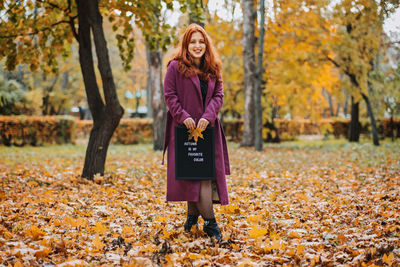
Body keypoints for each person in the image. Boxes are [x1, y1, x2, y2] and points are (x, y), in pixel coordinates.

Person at [162, 23, 230, 241]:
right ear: (186, 44)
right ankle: (210, 223)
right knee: (193, 175)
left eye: (201, 41)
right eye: (193, 42)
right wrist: (183, 116)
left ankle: (193, 219)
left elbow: (218, 96)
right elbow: (170, 95)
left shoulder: (213, 68)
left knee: (203, 176)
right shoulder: (175, 67)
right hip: (184, 131)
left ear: (206, 44)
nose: (197, 45)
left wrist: (206, 117)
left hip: (207, 131)